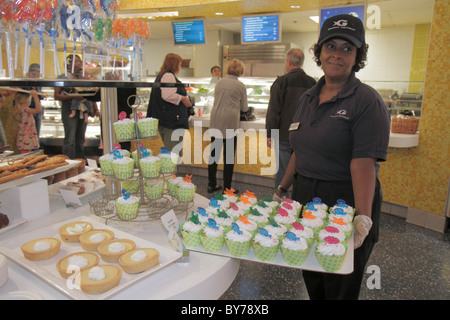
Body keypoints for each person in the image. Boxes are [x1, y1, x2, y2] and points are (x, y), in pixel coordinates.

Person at [274, 14, 390, 299]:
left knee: (340, 285)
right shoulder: (308, 97)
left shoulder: (366, 101)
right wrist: (282, 189)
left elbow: (363, 163)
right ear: (319, 51)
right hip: (306, 197)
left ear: (357, 56)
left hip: (346, 201)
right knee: (312, 273)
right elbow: (299, 150)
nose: (337, 54)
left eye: (347, 48)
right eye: (331, 46)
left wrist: (362, 218)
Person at [265, 48, 316, 195]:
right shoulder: (313, 83)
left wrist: (270, 134)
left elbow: (274, 111)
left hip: (283, 136)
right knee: (302, 173)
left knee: (282, 173)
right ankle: (297, 204)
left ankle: (281, 207)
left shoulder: (281, 82)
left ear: (288, 62)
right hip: (304, 137)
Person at [207, 59, 248, 194]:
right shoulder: (240, 86)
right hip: (230, 122)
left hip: (216, 119)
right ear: (240, 71)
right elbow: (244, 108)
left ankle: (211, 185)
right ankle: (227, 188)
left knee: (214, 155)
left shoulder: (219, 82)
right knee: (228, 157)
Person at [146, 53, 192, 153]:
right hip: (172, 121)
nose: (180, 67)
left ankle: (171, 168)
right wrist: (183, 98)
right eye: (179, 64)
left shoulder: (162, 75)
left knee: (171, 152)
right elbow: (167, 95)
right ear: (175, 64)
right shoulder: (168, 76)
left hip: (166, 120)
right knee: (173, 153)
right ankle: (171, 169)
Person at [54, 54, 92, 159]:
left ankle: (80, 160)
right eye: (74, 61)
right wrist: (73, 97)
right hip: (69, 109)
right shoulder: (63, 77)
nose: (77, 64)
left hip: (83, 109)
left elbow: (92, 93)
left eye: (79, 61)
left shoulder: (83, 76)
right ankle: (68, 161)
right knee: (70, 138)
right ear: (68, 64)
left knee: (80, 138)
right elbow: (56, 95)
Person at [105, 56, 136, 151]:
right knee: (121, 145)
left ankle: (122, 163)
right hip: (113, 117)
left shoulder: (128, 79)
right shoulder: (128, 79)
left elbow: (131, 100)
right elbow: (131, 100)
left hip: (119, 117)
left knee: (123, 145)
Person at [22, 64, 45, 137]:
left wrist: (41, 95)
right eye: (33, 74)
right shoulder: (23, 84)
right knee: (27, 135)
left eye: (37, 75)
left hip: (37, 110)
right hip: (28, 111)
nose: (35, 77)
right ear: (28, 74)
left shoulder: (38, 84)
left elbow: (38, 97)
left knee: (36, 134)